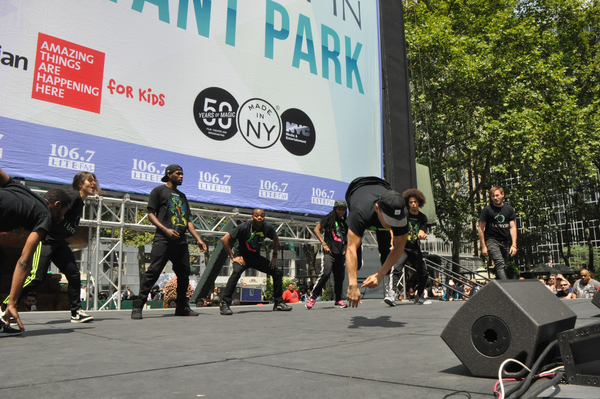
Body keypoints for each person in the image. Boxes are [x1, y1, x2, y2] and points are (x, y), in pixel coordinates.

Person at [2, 172, 101, 324]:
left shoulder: (79, 202)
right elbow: (52, 215)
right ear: (80, 184)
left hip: (59, 242)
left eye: (95, 180)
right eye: (90, 180)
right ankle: (6, 307)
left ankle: (76, 311)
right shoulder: (72, 198)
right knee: (36, 277)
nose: (94, 183)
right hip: (47, 239)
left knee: (74, 274)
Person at [131, 164, 207, 319]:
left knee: (184, 274)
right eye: (178, 173)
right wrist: (165, 229)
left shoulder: (182, 196)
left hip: (181, 241)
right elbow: (151, 213)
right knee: (153, 272)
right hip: (163, 239)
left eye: (182, 174)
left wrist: (198, 239)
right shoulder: (158, 191)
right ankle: (138, 307)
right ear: (169, 174)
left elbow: (188, 221)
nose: (181, 176)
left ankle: (182, 307)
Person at [0, 167, 71, 335]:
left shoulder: (22, 189)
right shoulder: (44, 217)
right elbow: (24, 261)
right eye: (64, 213)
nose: (62, 218)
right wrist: (12, 303)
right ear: (57, 205)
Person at [343, 177, 409, 308]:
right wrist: (353, 284)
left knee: (386, 245)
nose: (392, 224)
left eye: (395, 221)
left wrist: (380, 274)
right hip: (355, 188)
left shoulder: (402, 213)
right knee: (355, 243)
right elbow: (350, 248)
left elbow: (400, 246)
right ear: (377, 208)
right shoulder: (360, 212)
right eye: (389, 220)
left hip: (384, 186)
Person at [219, 208, 292, 315]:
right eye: (257, 216)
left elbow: (276, 238)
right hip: (242, 257)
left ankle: (278, 303)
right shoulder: (244, 227)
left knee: (276, 272)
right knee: (236, 272)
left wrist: (274, 257)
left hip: (255, 257)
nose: (259, 218)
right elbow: (224, 239)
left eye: (262, 216)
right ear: (252, 217)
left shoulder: (267, 227)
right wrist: (233, 257)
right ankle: (225, 303)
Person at [384, 189, 431, 306]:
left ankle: (419, 296)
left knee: (424, 273)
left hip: (415, 249)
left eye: (415, 202)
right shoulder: (404, 214)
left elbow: (421, 230)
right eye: (410, 202)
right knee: (396, 269)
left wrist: (422, 235)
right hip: (402, 248)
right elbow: (392, 228)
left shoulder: (423, 217)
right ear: (408, 203)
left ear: (419, 203)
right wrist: (391, 242)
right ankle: (392, 294)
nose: (413, 204)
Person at [306, 200, 348, 309]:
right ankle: (312, 298)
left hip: (340, 253)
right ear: (335, 209)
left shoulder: (345, 222)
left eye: (343, 210)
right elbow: (317, 229)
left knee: (340, 277)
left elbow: (347, 235)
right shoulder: (329, 219)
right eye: (339, 209)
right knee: (325, 273)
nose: (341, 212)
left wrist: (346, 245)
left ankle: (338, 300)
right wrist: (323, 243)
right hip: (329, 253)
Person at [478, 186, 517, 280]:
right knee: (499, 263)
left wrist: (514, 245)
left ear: (502, 195)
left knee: (503, 265)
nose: (495, 198)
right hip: (491, 240)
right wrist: (483, 246)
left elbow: (512, 227)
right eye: (493, 196)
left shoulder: (509, 209)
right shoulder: (487, 210)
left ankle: (499, 285)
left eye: (497, 195)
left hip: (504, 241)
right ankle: (506, 287)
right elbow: (480, 228)